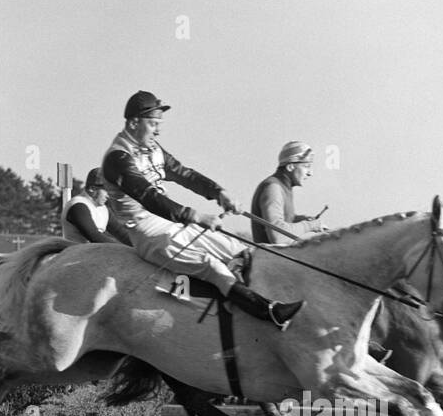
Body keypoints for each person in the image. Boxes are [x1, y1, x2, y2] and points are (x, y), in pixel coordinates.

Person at [102, 90, 303, 328]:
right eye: (153, 124)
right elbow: (150, 198)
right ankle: (269, 313)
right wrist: (196, 216)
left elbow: (183, 174)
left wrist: (219, 193)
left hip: (172, 225)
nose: (158, 130)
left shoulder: (153, 148)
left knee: (240, 251)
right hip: (149, 234)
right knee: (212, 267)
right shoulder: (118, 158)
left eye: (159, 124)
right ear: (134, 122)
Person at [250, 142, 327, 244]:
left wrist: (300, 219)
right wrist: (311, 226)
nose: (310, 173)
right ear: (290, 167)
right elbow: (278, 236)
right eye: (306, 166)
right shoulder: (273, 188)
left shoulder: (282, 187)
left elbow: (281, 220)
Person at [61, 169, 127, 245]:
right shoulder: (78, 206)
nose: (109, 196)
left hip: (92, 252)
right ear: (92, 189)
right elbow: (94, 236)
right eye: (107, 191)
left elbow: (122, 234)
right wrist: (122, 249)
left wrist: (140, 245)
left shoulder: (103, 209)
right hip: (76, 254)